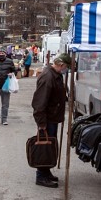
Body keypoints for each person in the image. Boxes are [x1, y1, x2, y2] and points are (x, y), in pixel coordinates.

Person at [31, 53, 71, 188]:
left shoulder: (55, 75)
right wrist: (41, 123)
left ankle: (46, 171)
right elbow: (39, 102)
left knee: (50, 145)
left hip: (52, 116)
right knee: (45, 146)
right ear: (61, 65)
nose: (67, 70)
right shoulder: (48, 77)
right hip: (47, 118)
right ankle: (41, 175)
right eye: (66, 67)